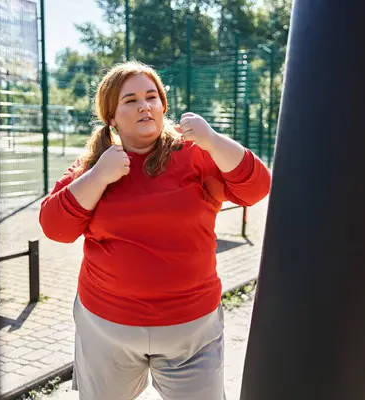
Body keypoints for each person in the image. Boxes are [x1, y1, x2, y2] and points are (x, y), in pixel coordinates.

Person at [39, 61, 271, 400]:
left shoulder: (195, 153)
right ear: (112, 117)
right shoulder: (96, 163)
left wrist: (213, 139)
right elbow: (55, 227)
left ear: (163, 105)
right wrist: (100, 176)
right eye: (130, 100)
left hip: (191, 330)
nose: (144, 105)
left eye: (152, 96)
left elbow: (256, 188)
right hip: (107, 328)